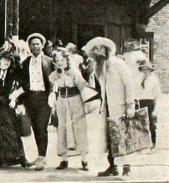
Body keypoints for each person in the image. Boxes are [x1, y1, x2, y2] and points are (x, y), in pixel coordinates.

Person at [83, 37, 136, 177]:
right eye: (95, 49)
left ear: (106, 50)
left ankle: (127, 167)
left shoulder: (118, 63)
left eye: (100, 48)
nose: (98, 51)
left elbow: (129, 84)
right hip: (107, 107)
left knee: (122, 136)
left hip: (120, 106)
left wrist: (130, 105)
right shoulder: (98, 67)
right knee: (109, 137)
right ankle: (112, 166)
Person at [0, 50, 31, 169]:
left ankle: (21, 158)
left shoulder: (13, 73)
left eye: (9, 60)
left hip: (7, 105)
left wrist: (15, 95)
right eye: (4, 60)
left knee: (12, 130)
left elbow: (25, 85)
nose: (6, 62)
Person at [49, 49, 90, 171]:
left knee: (79, 128)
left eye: (62, 60)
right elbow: (52, 80)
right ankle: (64, 159)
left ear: (67, 60)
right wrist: (58, 72)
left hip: (75, 100)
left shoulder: (74, 71)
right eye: (57, 60)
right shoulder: (56, 73)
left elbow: (82, 86)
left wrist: (86, 103)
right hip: (61, 100)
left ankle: (84, 159)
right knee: (62, 128)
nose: (60, 62)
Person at [19, 33, 54, 171]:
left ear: (42, 45)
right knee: (34, 127)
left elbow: (54, 79)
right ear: (29, 46)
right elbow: (22, 81)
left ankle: (42, 156)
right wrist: (21, 100)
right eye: (33, 44)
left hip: (44, 98)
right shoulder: (25, 62)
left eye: (38, 44)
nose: (35, 46)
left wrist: (52, 94)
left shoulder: (49, 61)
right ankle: (40, 155)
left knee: (42, 127)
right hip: (31, 98)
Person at [137, 61, 161, 149]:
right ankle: (143, 144)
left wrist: (155, 109)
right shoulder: (138, 79)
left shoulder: (153, 80)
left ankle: (153, 143)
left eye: (147, 69)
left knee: (151, 123)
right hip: (141, 102)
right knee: (141, 124)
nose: (145, 71)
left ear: (150, 70)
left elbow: (157, 95)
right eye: (143, 69)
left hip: (150, 102)